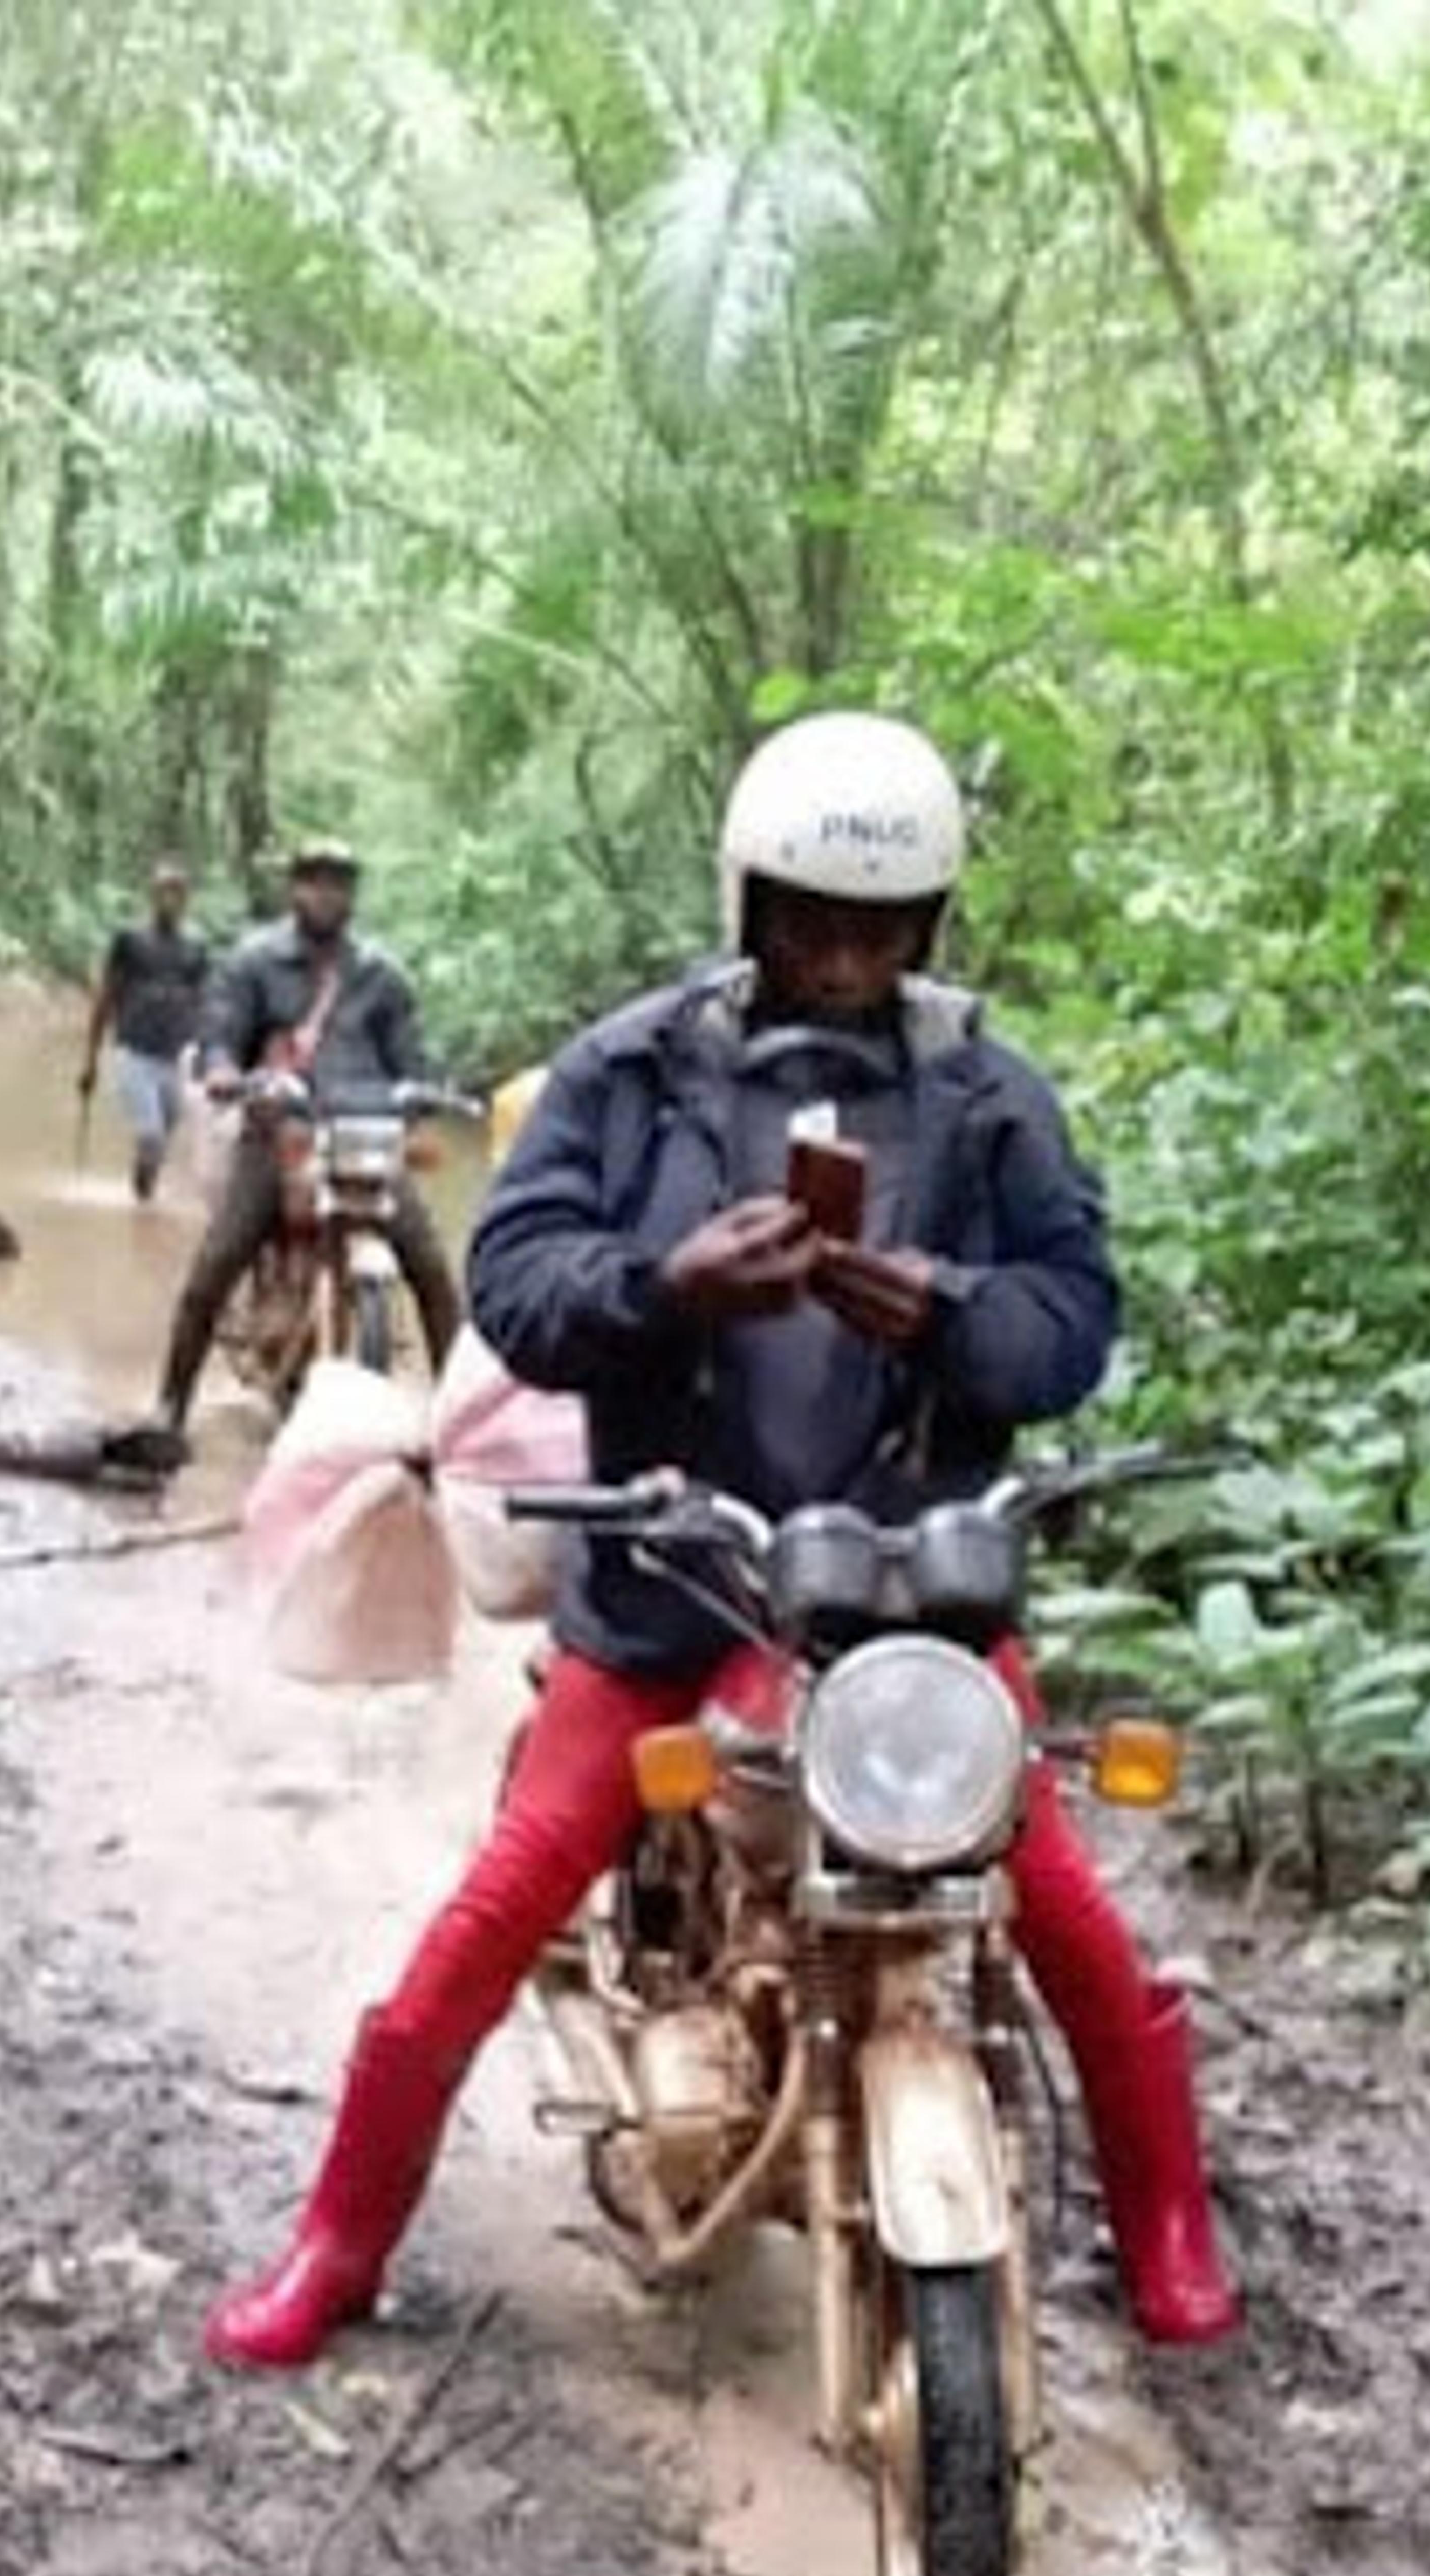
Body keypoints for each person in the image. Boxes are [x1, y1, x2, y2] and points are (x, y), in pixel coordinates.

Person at [201, 714, 1241, 2370]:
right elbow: (526, 1284)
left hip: (913, 1603)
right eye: (812, 919)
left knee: (1058, 1904)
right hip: (677, 1578)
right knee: (498, 1911)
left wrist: (957, 1313)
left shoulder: (989, 1092)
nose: (844, 955)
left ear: (932, 927)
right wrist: (671, 1283)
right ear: (748, 903)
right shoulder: (630, 1071)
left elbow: (1074, 1324)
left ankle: (1169, 2222)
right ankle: (339, 2242)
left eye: (882, 927)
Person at [152, 839, 461, 1433]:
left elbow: (412, 1058)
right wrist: (223, 1071)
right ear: (294, 889)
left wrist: (427, 1090)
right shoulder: (252, 963)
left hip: (365, 1139)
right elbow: (221, 1037)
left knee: (431, 1267)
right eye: (315, 881)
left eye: (339, 882)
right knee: (216, 1264)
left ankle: (456, 1422)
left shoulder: (382, 975)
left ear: (353, 894)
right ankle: (169, 1409)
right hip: (281, 1135)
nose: (327, 893)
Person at [80, 860, 212, 1203]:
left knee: (161, 1141)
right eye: (164, 891)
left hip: (177, 1059)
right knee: (151, 1136)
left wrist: (208, 1056)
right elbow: (106, 998)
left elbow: (205, 1004)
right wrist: (91, 1061)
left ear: (187, 899)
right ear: (152, 896)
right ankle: (142, 1203)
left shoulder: (197, 947)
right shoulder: (129, 940)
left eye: (178, 892)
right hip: (134, 1052)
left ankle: (144, 1196)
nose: (170, 899)